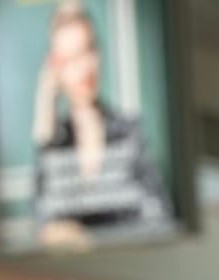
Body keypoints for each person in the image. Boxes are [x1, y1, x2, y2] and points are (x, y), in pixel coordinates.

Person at [29, 1, 172, 250]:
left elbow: (161, 220)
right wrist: (45, 111)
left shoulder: (130, 133)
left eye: (89, 51)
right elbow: (41, 225)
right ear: (55, 70)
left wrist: (90, 241)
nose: (84, 68)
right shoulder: (54, 142)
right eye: (71, 60)